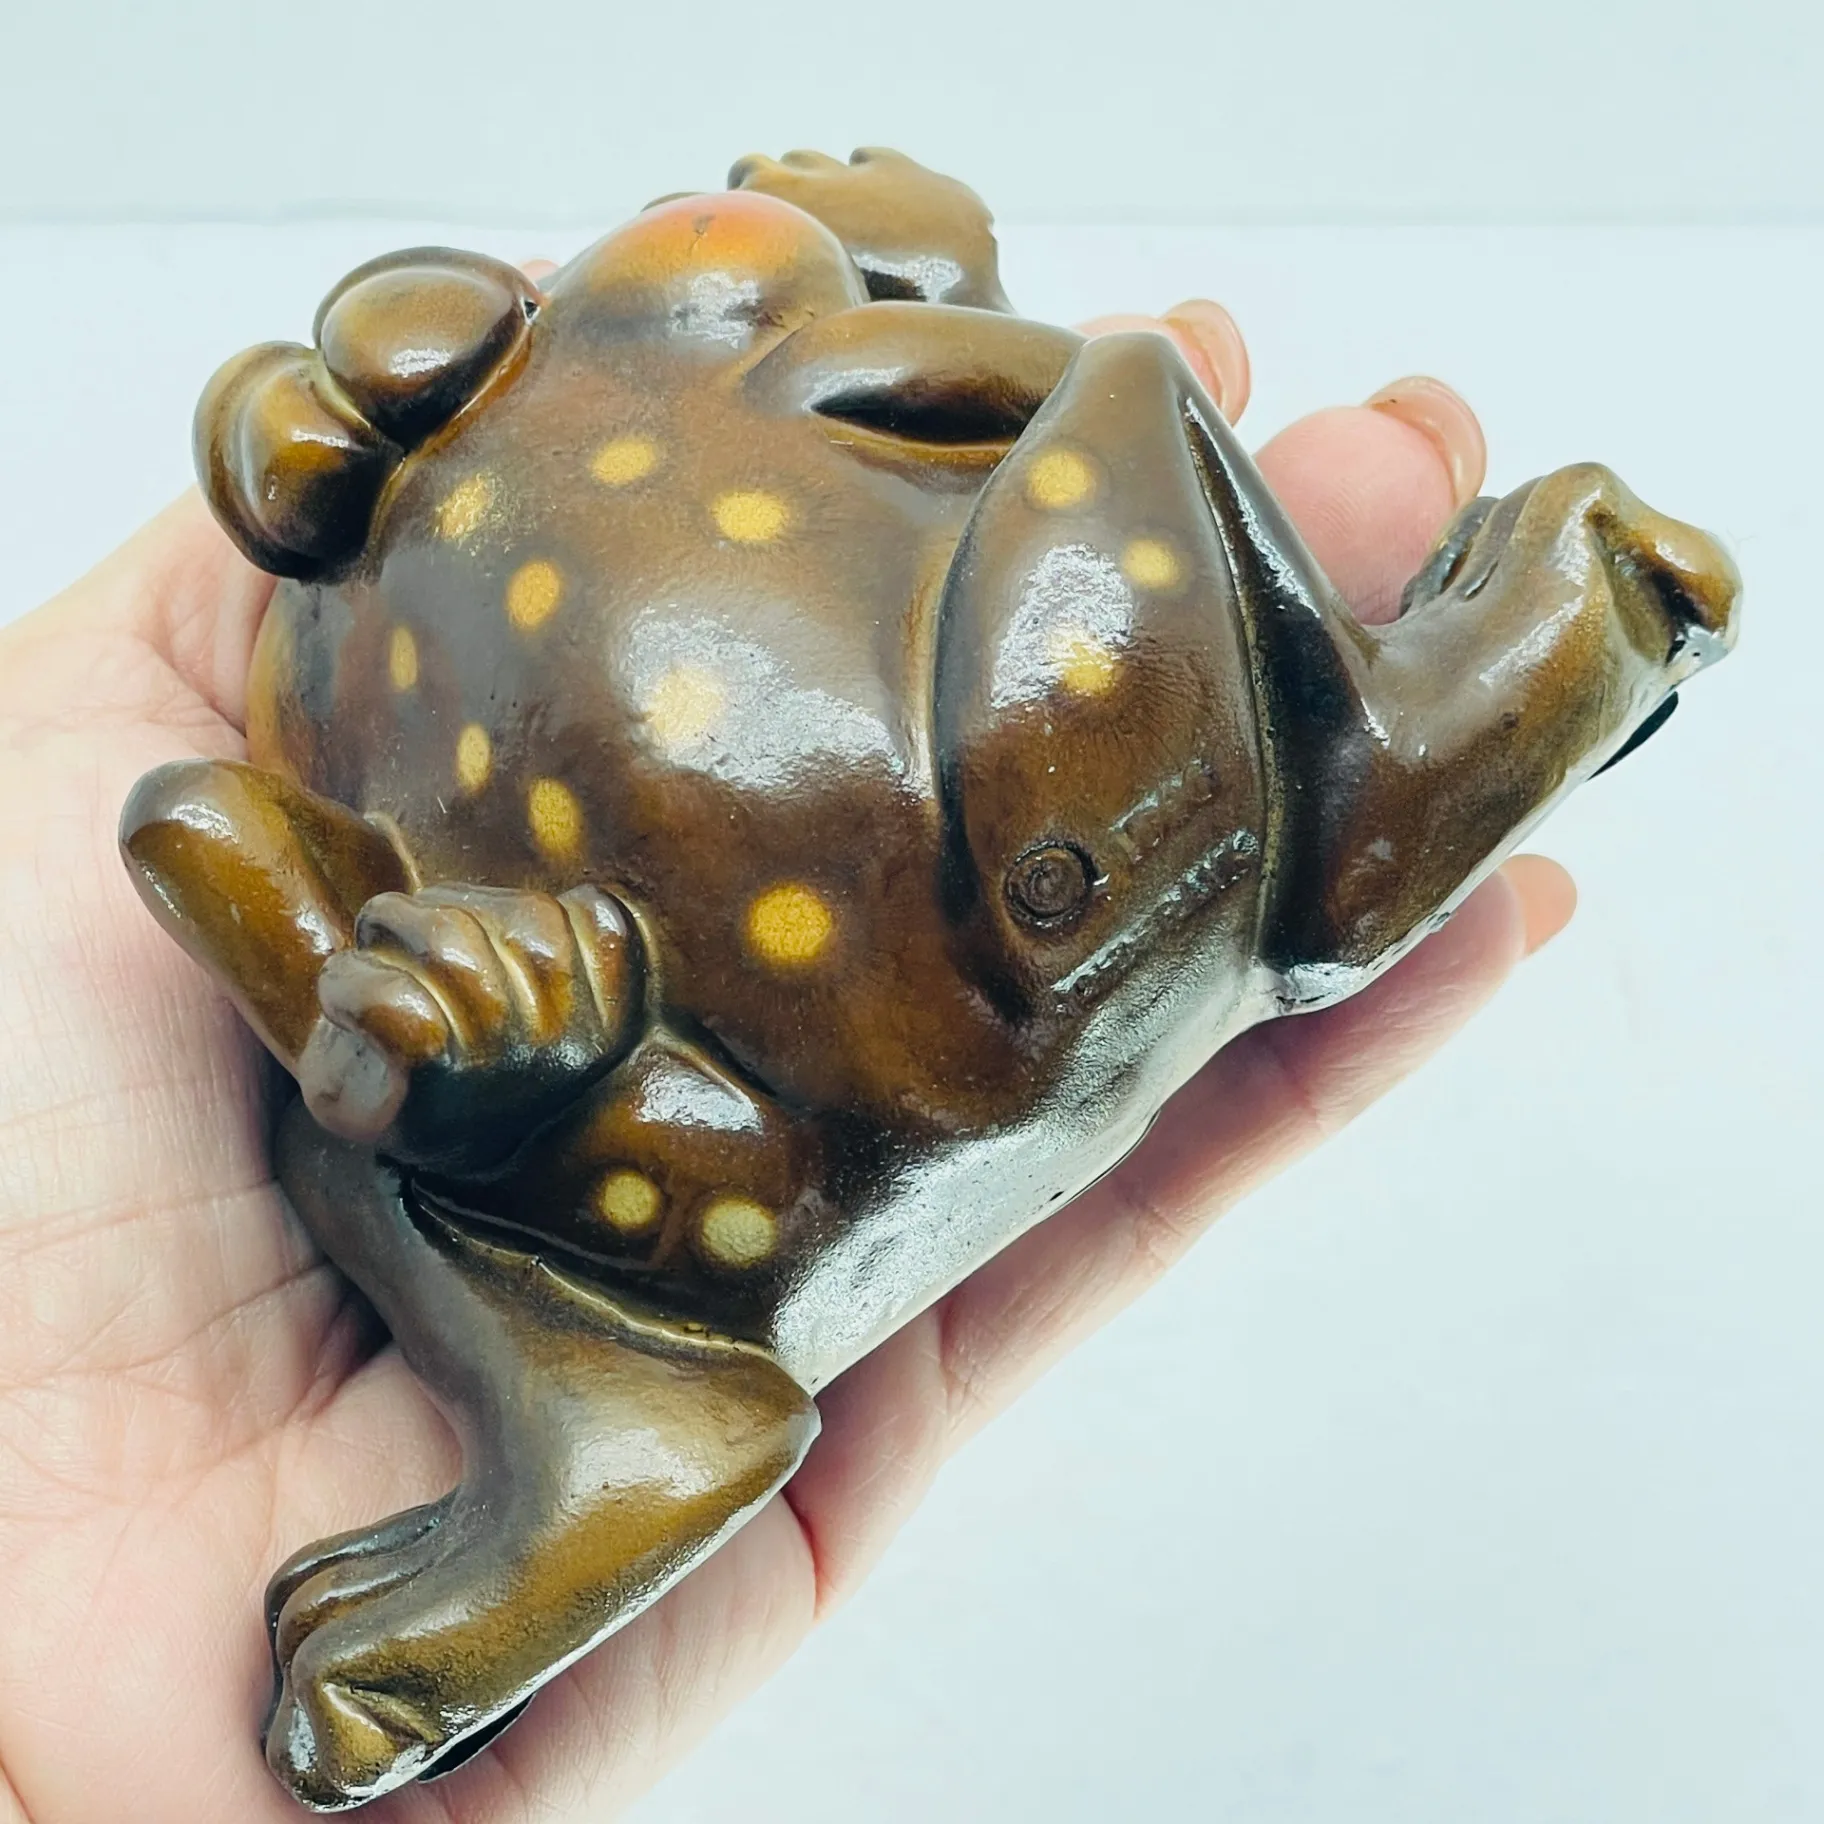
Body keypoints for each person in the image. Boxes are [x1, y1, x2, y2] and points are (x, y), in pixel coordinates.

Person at [0, 294, 1573, 1824]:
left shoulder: (337, 640)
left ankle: (600, 1367)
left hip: (707, 1123)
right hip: (973, 909)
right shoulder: (695, 343)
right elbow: (1035, 378)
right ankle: (1445, 729)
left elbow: (202, 832)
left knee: (347, 1126)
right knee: (1158, 487)